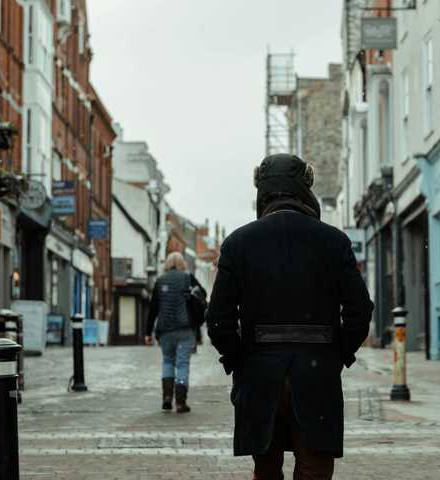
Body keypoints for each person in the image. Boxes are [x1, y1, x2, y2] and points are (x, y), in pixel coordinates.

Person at [207, 154, 374, 480]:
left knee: (266, 468)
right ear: (304, 188)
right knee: (314, 468)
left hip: (259, 373)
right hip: (317, 373)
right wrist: (335, 354)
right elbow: (359, 311)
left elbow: (218, 319)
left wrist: (239, 358)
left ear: (263, 191)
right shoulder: (333, 241)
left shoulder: (238, 243)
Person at [145, 251, 207, 413]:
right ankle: (180, 402)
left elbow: (153, 309)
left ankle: (167, 397)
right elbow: (203, 295)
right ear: (182, 264)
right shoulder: (188, 278)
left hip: (165, 330)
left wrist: (147, 333)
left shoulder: (160, 281)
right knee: (182, 364)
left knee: (167, 361)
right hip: (185, 329)